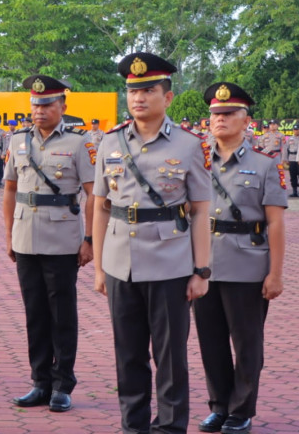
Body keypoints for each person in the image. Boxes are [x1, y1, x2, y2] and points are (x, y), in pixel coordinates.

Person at [91, 52, 211, 434]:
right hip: (119, 262)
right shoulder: (110, 142)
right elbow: (100, 208)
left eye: (148, 90)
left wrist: (201, 270)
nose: (138, 97)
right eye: (132, 91)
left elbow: (201, 212)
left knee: (170, 355)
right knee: (128, 353)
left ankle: (172, 427)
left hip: (170, 262)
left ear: (168, 97)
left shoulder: (189, 145)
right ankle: (134, 425)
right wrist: (98, 267)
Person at [193, 82, 287, 434]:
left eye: (229, 113)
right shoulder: (196, 160)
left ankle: (241, 410)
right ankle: (219, 407)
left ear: (246, 119)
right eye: (215, 114)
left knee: (247, 344)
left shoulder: (265, 166)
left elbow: (275, 223)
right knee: (210, 341)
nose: (220, 119)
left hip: (247, 264)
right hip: (204, 264)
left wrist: (275, 273)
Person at [3, 75, 95, 413]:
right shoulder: (17, 142)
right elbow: (10, 190)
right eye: (35, 105)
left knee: (61, 314)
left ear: (62, 107)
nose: (39, 110)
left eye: (47, 104)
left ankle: (62, 383)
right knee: (35, 314)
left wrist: (89, 240)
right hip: (25, 237)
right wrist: (9, 232)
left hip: (63, 240)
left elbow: (92, 194)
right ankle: (40, 382)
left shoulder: (78, 143)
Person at [283, 124, 299, 198]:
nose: (296, 131)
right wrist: (286, 159)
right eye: (295, 129)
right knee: (293, 176)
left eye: (297, 129)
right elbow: (285, 149)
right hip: (292, 158)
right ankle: (294, 191)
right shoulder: (289, 139)